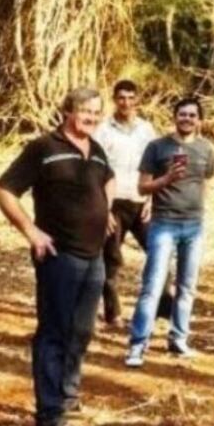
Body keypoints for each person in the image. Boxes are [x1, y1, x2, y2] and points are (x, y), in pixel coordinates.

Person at [0, 87, 114, 426]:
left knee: (81, 332)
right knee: (54, 333)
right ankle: (49, 416)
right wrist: (31, 231)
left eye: (95, 112)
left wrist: (105, 212)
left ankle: (68, 400)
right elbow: (3, 189)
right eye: (84, 111)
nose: (90, 117)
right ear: (67, 111)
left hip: (94, 258)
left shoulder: (97, 149)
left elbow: (108, 178)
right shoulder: (44, 148)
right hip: (60, 257)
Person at [125, 97, 214, 366]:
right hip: (163, 224)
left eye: (192, 115)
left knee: (187, 286)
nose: (187, 119)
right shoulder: (157, 148)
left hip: (194, 226)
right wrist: (166, 180)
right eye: (182, 114)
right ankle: (137, 344)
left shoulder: (206, 149)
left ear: (199, 120)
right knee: (152, 286)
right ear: (174, 117)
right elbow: (142, 188)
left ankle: (178, 340)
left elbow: (204, 182)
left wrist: (198, 208)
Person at [92, 80, 158, 329]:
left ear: (138, 100)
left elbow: (154, 166)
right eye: (121, 98)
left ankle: (161, 309)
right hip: (114, 201)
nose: (126, 103)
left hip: (141, 201)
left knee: (157, 251)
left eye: (131, 97)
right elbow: (97, 169)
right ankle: (113, 313)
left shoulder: (146, 130)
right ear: (114, 99)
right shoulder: (103, 130)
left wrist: (151, 199)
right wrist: (104, 207)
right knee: (111, 258)